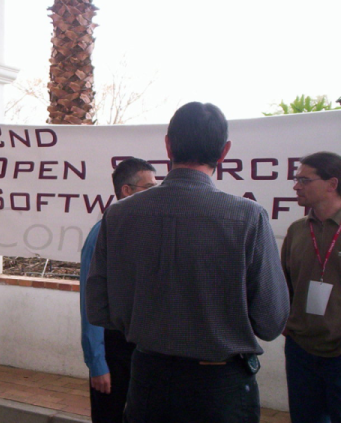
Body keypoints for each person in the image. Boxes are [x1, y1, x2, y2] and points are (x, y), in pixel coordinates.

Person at [86, 102, 290, 423]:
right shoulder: (248, 217)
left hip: (147, 381)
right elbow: (271, 321)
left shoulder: (118, 215)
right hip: (220, 389)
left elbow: (99, 309)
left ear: (168, 146)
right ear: (224, 152)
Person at [80, 158, 156, 423]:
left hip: (142, 348)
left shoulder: (147, 230)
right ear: (127, 191)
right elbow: (90, 303)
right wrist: (97, 363)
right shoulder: (102, 233)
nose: (156, 194)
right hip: (113, 349)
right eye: (149, 188)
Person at [282, 152, 341, 423]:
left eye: (304, 180)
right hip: (301, 349)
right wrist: (286, 323)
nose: (296, 186)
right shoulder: (297, 231)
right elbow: (285, 284)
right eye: (296, 180)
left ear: (332, 184)